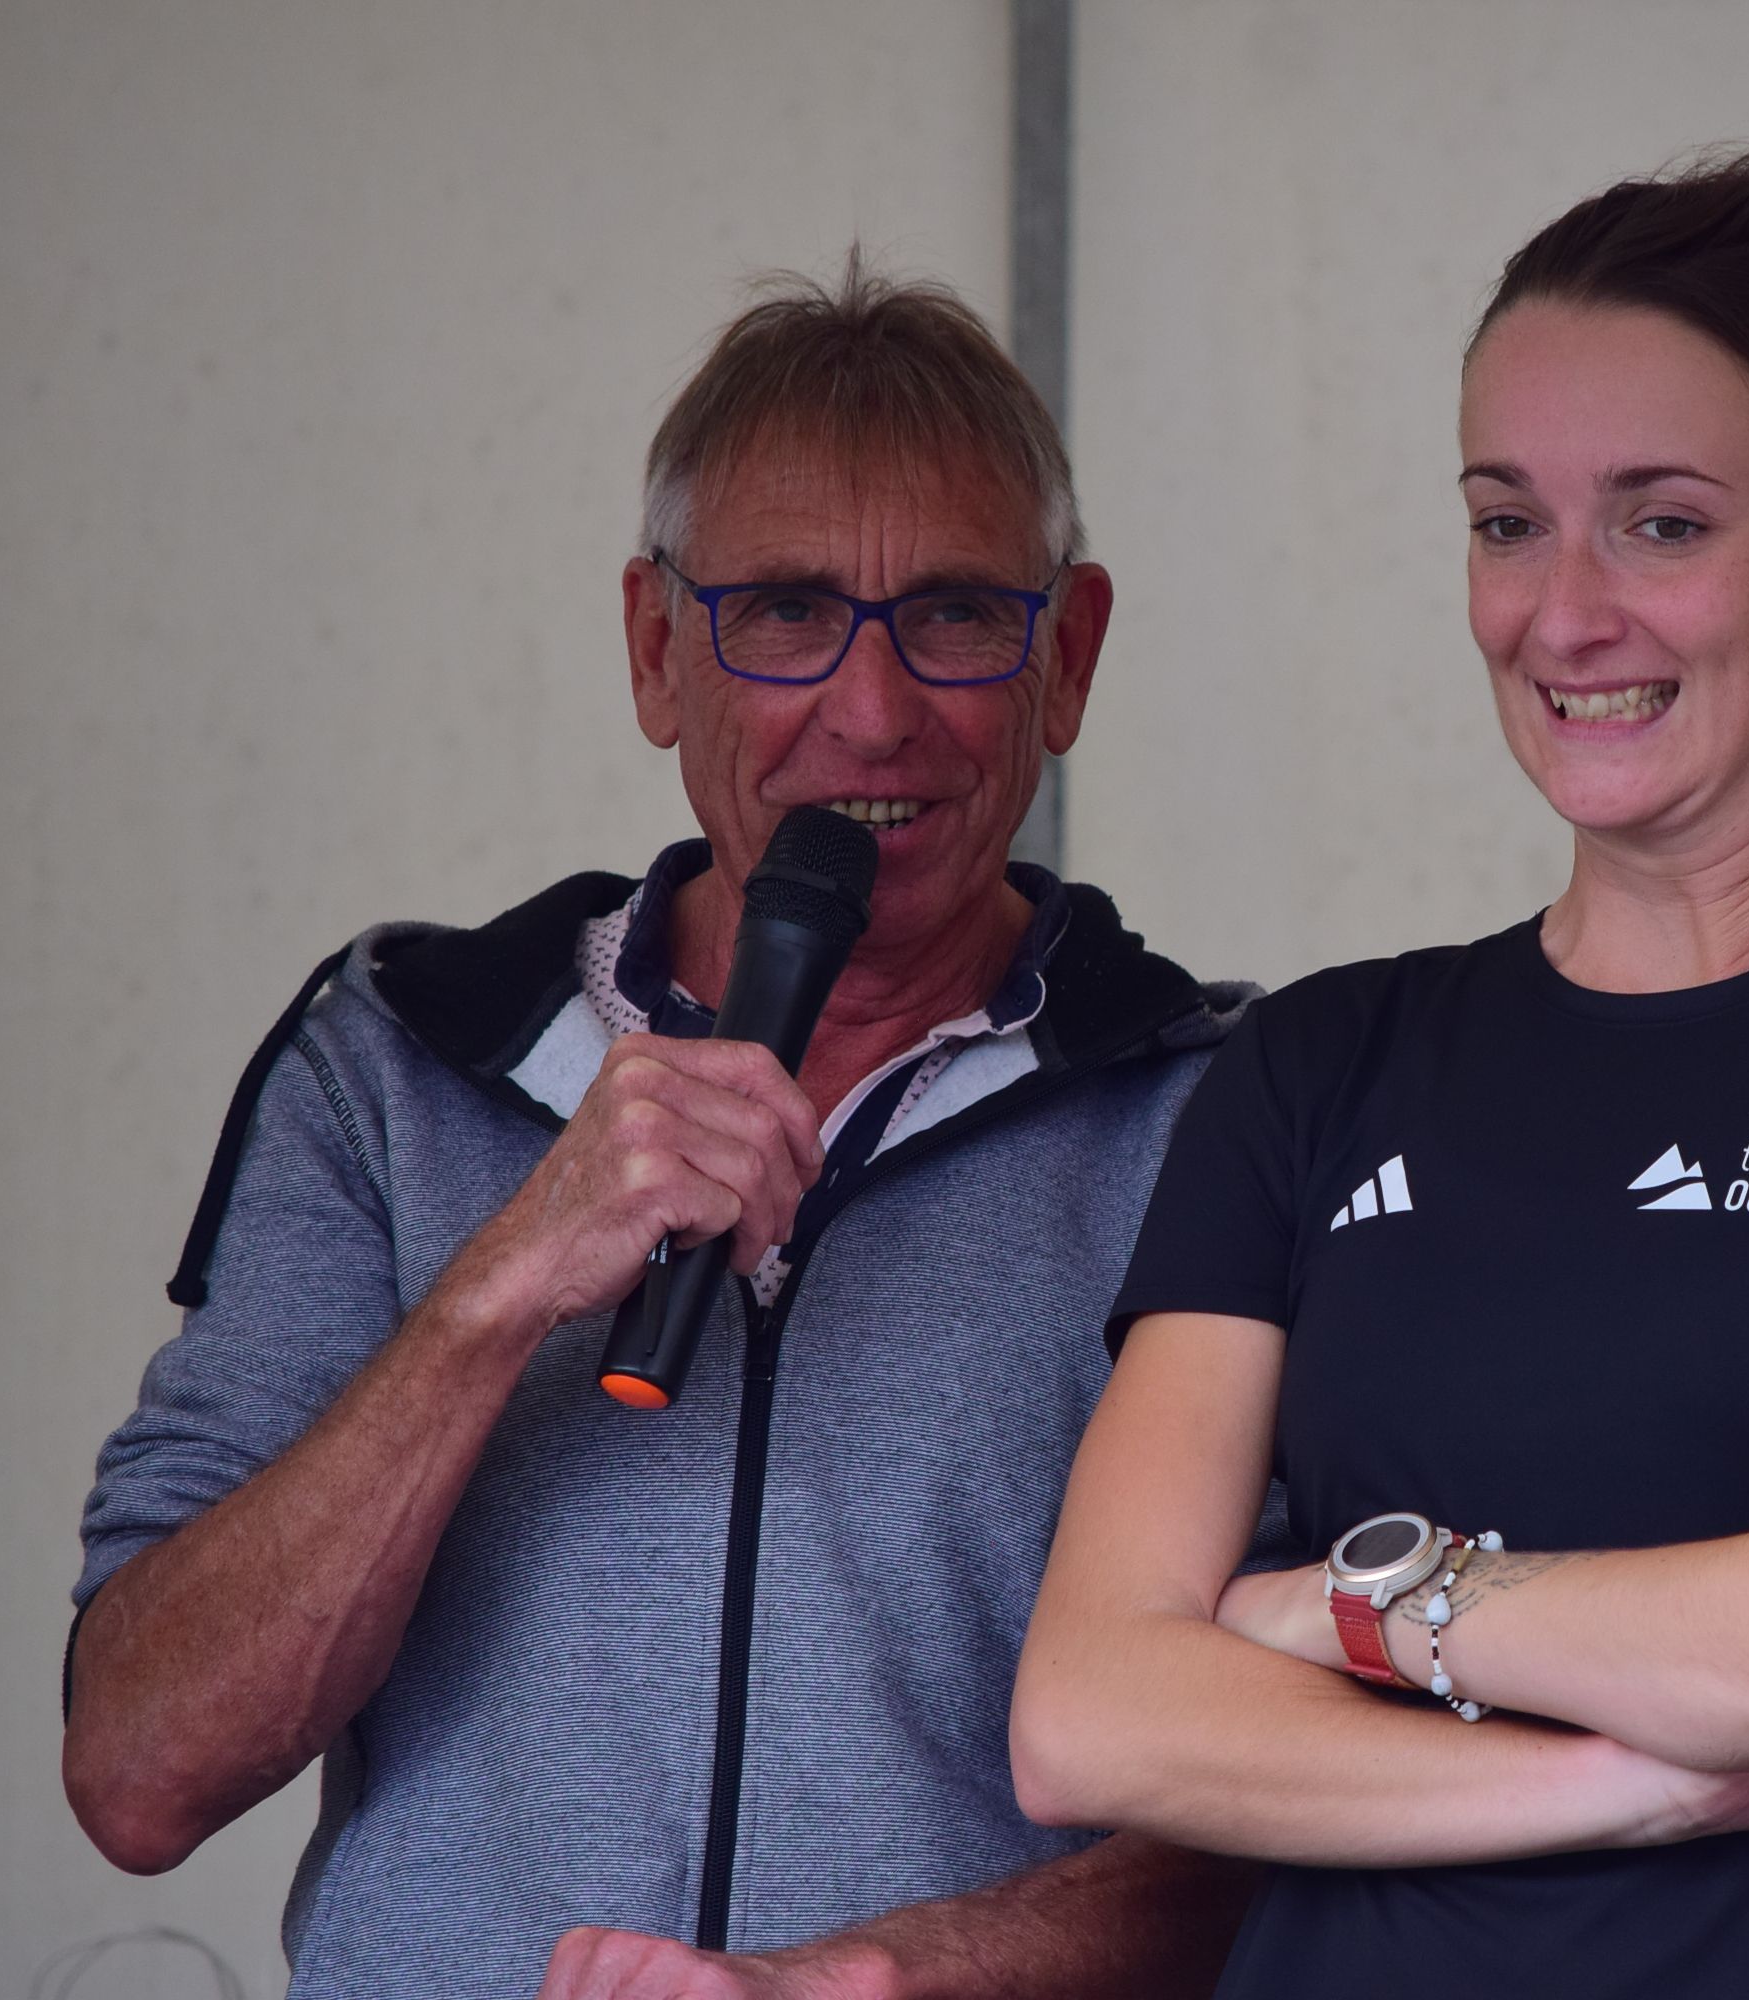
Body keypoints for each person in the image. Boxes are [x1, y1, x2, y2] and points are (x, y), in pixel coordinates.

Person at [1011, 148, 1749, 2000]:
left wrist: (1352, 1601)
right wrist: (1634, 1782)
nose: (1561, 615)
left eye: (1663, 524)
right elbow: (1089, 1712)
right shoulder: (1317, 1062)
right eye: (1507, 523)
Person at [65, 259, 1270, 1999]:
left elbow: (1311, 1806)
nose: (872, 712)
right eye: (783, 611)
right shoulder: (394, 1063)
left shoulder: (1227, 1112)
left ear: (1066, 658)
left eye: (954, 616)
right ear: (655, 649)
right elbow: (138, 1769)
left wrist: (875, 1979)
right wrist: (498, 1292)